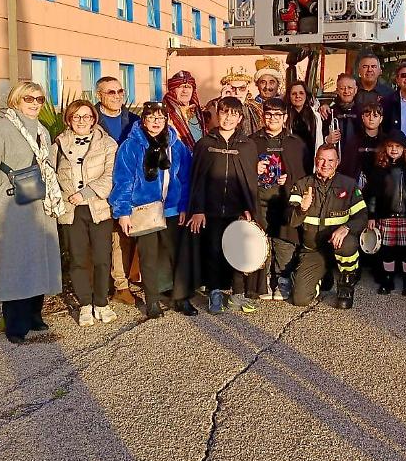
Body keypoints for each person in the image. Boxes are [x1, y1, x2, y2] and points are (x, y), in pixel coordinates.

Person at [0, 82, 64, 344]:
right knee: (15, 264)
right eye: (29, 98)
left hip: (41, 205)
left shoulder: (43, 131)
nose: (35, 102)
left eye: (39, 98)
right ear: (16, 100)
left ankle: (34, 315)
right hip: (11, 207)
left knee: (40, 261)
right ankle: (15, 323)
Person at [110, 102, 191, 319]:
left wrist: (183, 205)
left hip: (172, 208)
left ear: (166, 120)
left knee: (177, 254)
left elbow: (185, 177)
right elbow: (123, 180)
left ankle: (181, 297)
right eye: (151, 118)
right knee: (148, 257)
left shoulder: (176, 145)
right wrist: (123, 212)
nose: (156, 122)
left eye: (160, 118)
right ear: (143, 120)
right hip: (144, 210)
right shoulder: (131, 146)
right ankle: (152, 300)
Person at [187, 96, 260, 314]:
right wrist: (198, 209)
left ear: (240, 118)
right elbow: (197, 180)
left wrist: (250, 207)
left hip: (237, 209)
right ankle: (215, 291)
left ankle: (238, 293)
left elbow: (250, 180)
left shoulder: (247, 145)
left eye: (234, 114)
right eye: (224, 112)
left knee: (237, 249)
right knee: (214, 250)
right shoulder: (205, 144)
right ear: (218, 114)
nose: (228, 118)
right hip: (211, 210)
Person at [55, 100, 118, 327]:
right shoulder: (59, 144)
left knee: (102, 258)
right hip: (71, 211)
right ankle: (84, 304)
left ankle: (101, 302)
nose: (82, 121)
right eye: (77, 116)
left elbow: (112, 175)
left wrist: (86, 193)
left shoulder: (107, 143)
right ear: (69, 119)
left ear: (94, 119)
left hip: (98, 208)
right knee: (78, 259)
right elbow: (51, 176)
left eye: (87, 116)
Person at [288, 144, 367, 309]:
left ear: (337, 162)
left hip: (338, 245)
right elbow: (292, 221)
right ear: (316, 161)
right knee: (300, 300)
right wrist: (301, 208)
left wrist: (346, 227)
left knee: (347, 244)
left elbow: (362, 217)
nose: (326, 164)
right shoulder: (303, 185)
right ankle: (324, 275)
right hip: (313, 249)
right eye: (322, 160)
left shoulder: (349, 185)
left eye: (330, 160)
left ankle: (347, 280)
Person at [251, 98, 307, 300]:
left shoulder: (296, 144)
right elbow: (241, 171)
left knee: (284, 239)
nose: (272, 118)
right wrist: (253, 169)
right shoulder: (252, 142)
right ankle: (263, 281)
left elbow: (303, 175)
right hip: (260, 200)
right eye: (268, 114)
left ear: (284, 118)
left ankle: (283, 280)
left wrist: (289, 179)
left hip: (284, 201)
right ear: (262, 116)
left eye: (277, 115)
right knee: (261, 238)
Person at [95, 76, 141, 305]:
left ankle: (122, 284)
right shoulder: (88, 119)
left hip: (128, 188)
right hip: (98, 189)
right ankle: (105, 286)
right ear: (99, 95)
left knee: (123, 236)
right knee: (103, 239)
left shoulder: (134, 120)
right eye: (110, 92)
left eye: (120, 91)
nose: (116, 96)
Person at [364, 131, 406, 296]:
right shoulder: (379, 169)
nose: (394, 150)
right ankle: (387, 278)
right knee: (387, 250)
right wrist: (372, 216)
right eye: (390, 146)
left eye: (398, 146)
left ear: (404, 149)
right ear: (385, 148)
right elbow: (372, 195)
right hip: (386, 216)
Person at [322, 73, 362, 179]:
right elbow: (318, 134)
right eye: (342, 88)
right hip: (335, 164)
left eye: (350, 88)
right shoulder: (329, 111)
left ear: (356, 89)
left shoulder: (362, 111)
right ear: (337, 90)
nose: (346, 91)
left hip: (357, 162)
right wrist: (327, 139)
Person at [206, 68, 263, 136]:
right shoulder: (213, 105)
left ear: (247, 88)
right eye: (233, 88)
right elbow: (213, 131)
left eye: (242, 88)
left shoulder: (256, 108)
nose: (237, 93)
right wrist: (224, 103)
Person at [163, 70, 210, 152]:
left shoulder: (200, 115)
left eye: (188, 87)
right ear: (173, 90)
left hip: (200, 160)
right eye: (180, 87)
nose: (185, 91)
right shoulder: (164, 114)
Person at [285, 80, 324, 173]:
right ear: (289, 96)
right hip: (291, 161)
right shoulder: (285, 116)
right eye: (294, 93)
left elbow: (319, 140)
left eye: (301, 93)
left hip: (310, 160)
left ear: (306, 95)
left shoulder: (315, 116)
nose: (298, 96)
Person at [355, 102, 385, 188]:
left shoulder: (386, 141)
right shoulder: (354, 141)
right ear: (362, 118)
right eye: (367, 115)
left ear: (381, 119)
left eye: (375, 116)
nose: (371, 119)